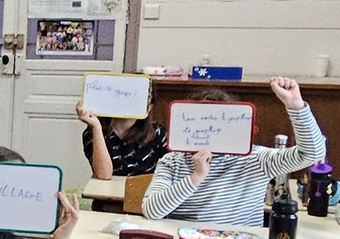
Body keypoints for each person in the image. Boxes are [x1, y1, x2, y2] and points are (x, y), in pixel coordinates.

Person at [140, 77, 326, 225]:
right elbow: (152, 210)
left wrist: (296, 106)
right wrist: (196, 177)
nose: (209, 131)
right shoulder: (172, 161)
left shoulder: (256, 159)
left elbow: (313, 154)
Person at [75, 103, 167, 179]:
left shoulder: (158, 133)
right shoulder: (94, 132)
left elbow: (168, 174)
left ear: (149, 107)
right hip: (107, 194)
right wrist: (96, 127)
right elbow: (103, 175)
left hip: (146, 194)